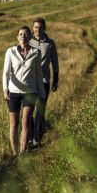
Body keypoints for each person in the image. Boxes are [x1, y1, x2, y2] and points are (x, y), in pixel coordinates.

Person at [2, 26, 46, 156]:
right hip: (13, 92)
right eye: (20, 34)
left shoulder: (36, 53)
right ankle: (15, 153)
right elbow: (6, 73)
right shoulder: (10, 52)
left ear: (30, 37)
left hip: (30, 92)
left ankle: (22, 153)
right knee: (14, 125)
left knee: (25, 123)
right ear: (17, 37)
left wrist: (42, 94)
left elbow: (39, 75)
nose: (23, 36)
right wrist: (5, 89)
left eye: (26, 34)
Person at [29, 18, 59, 146]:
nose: (38, 29)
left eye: (40, 27)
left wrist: (56, 79)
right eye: (35, 27)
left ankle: (37, 137)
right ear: (32, 28)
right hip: (29, 81)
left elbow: (55, 62)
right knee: (28, 109)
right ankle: (30, 136)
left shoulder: (50, 44)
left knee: (40, 109)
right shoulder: (27, 41)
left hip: (44, 81)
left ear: (45, 28)